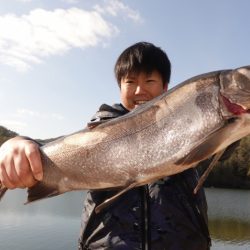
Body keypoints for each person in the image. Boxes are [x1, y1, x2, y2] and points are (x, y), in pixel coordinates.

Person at [0, 42, 211, 250]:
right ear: (120, 87)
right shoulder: (98, 131)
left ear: (165, 87)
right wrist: (16, 143)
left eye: (149, 80)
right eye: (130, 81)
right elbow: (57, 149)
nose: (139, 90)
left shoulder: (190, 124)